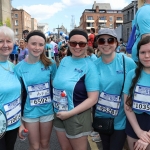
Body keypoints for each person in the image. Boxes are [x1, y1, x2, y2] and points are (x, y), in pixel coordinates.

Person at [53, 28, 99, 150]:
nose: (77, 47)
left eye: (81, 44)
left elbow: (93, 99)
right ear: (68, 44)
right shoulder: (65, 60)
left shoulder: (90, 66)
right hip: (59, 113)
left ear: (87, 45)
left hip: (76, 115)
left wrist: (69, 114)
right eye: (73, 43)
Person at [94, 28, 136, 150]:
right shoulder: (93, 66)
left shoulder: (127, 62)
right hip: (101, 117)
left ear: (116, 43)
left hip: (121, 119)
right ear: (97, 43)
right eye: (102, 41)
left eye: (110, 40)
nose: (106, 44)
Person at [15, 30, 57, 150]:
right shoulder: (19, 68)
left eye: (41, 44)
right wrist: (19, 121)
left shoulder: (51, 64)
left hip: (47, 112)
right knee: (34, 146)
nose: (37, 48)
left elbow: (56, 87)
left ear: (44, 46)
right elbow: (17, 96)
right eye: (33, 44)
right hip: (29, 113)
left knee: (45, 144)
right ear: (27, 44)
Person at [124, 36, 150, 150]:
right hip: (135, 124)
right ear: (138, 54)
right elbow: (127, 105)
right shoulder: (131, 74)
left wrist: (148, 136)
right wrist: (139, 132)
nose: (147, 56)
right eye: (143, 52)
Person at [0, 26, 21, 150]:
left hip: (13, 123)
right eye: (1, 41)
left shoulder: (13, 66)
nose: (5, 45)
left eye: (8, 41)